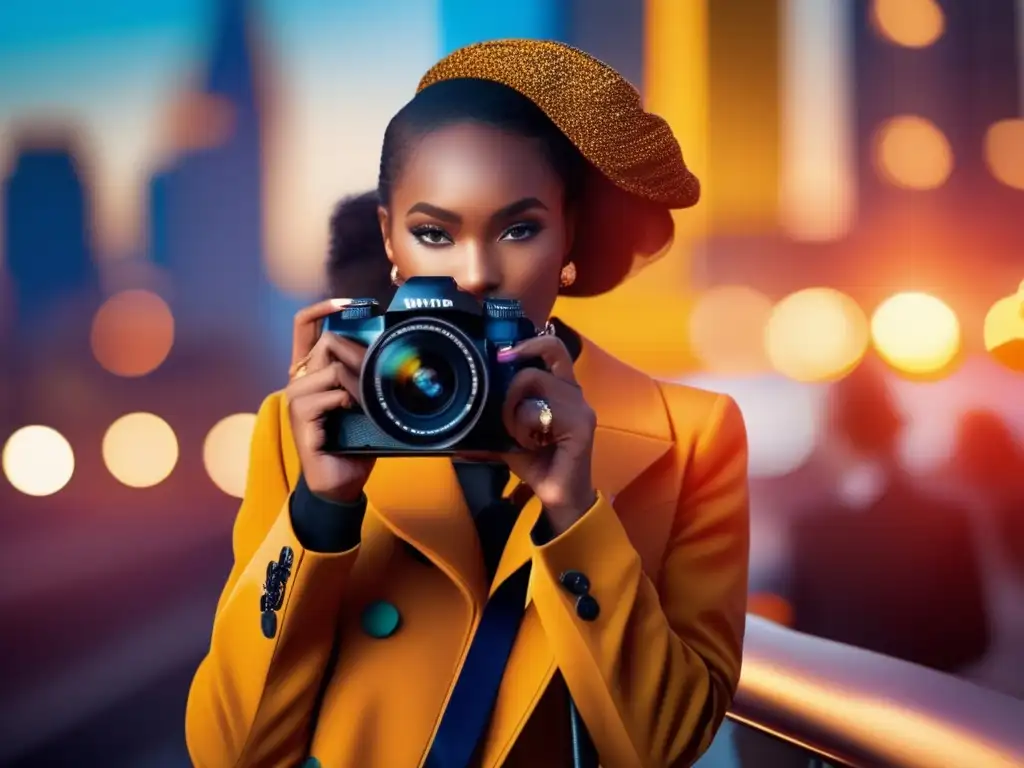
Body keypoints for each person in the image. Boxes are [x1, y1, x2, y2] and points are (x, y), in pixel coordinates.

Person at [186, 40, 750, 768]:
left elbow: (662, 747)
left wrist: (575, 510)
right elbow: (231, 754)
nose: (477, 273)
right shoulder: (301, 431)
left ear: (571, 232)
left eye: (520, 229)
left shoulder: (692, 438)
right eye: (433, 233)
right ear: (390, 238)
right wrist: (321, 512)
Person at [786, 356, 989, 672]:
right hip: (926, 710)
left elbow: (803, 635)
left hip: (832, 708)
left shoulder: (811, 530)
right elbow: (975, 640)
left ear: (836, 432)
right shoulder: (948, 521)